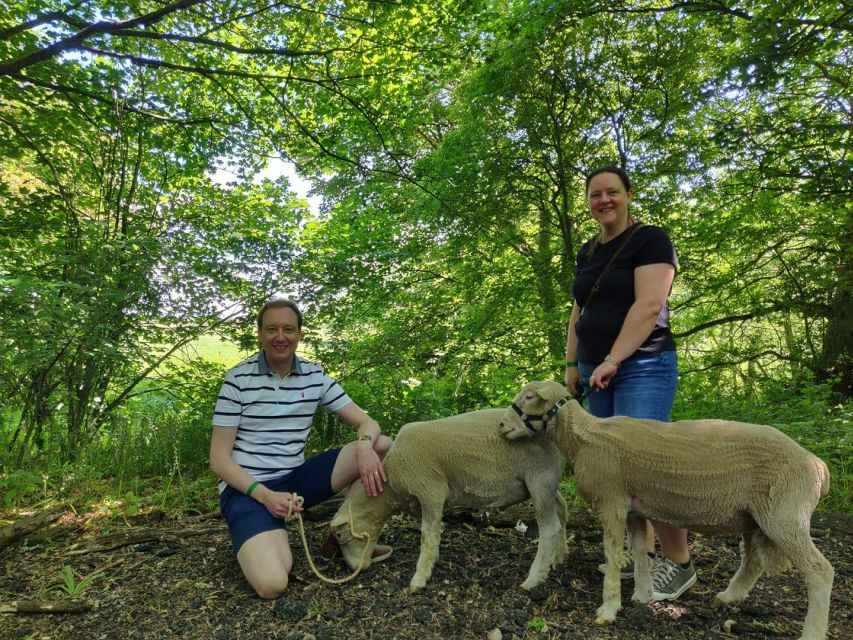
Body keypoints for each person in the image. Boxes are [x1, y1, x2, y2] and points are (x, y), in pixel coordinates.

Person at [563, 166, 695, 601]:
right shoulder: (587, 249)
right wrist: (572, 363)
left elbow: (650, 303)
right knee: (612, 471)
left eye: (612, 192)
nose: (604, 200)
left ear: (628, 195)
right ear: (588, 200)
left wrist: (614, 359)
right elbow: (578, 311)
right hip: (593, 371)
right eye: (596, 194)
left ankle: (679, 564)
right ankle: (640, 557)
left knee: (649, 466)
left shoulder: (650, 240)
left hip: (643, 364)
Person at [210, 298, 393, 599]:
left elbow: (368, 423)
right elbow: (218, 460)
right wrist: (266, 497)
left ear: (299, 334)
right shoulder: (237, 380)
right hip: (248, 488)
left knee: (381, 446)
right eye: (271, 329)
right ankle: (258, 536)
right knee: (272, 584)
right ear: (259, 334)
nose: (280, 337)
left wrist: (363, 445)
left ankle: (347, 533)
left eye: (288, 329)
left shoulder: (314, 375)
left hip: (295, 480)